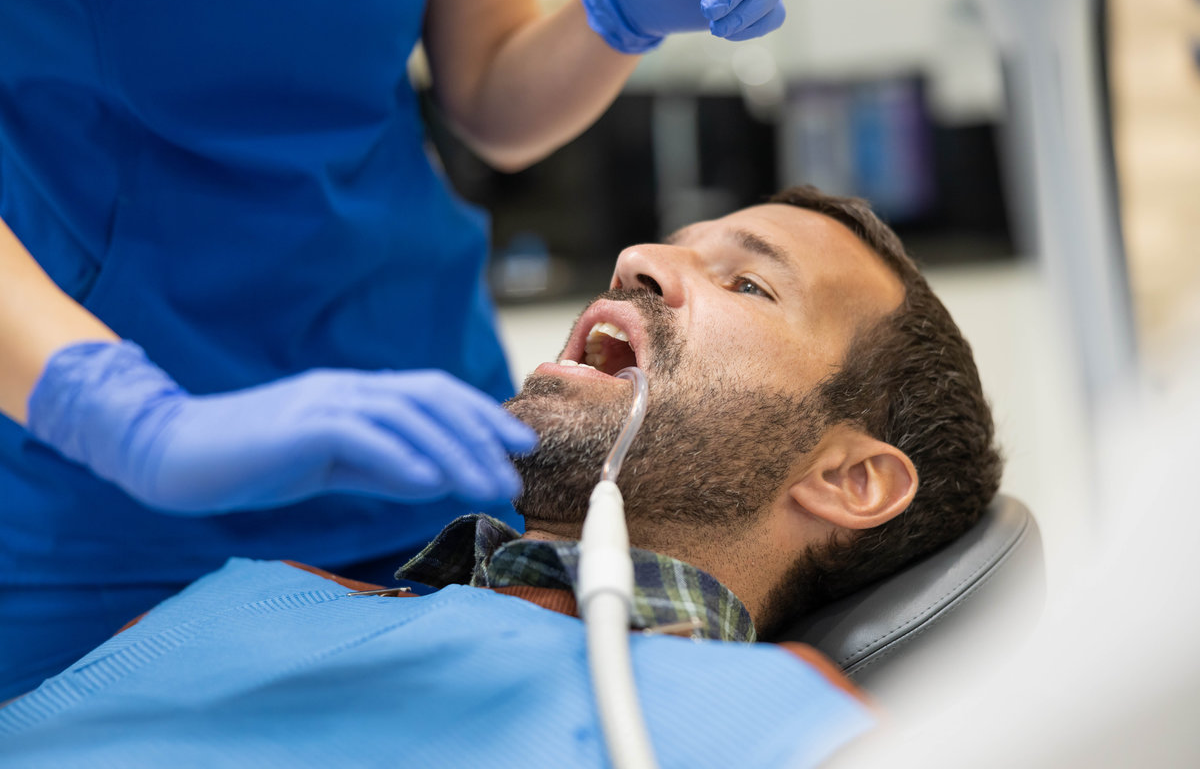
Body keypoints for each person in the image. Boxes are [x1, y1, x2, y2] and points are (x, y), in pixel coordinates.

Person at [0, 186, 1002, 767]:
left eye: (748, 281)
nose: (638, 259)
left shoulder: (803, 729)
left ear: (852, 478)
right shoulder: (257, 591)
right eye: (669, 245)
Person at [0, 0, 788, 699]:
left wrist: (610, 17)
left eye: (753, 284)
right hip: (95, 492)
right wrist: (127, 421)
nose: (644, 266)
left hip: (423, 445)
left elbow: (486, 92)